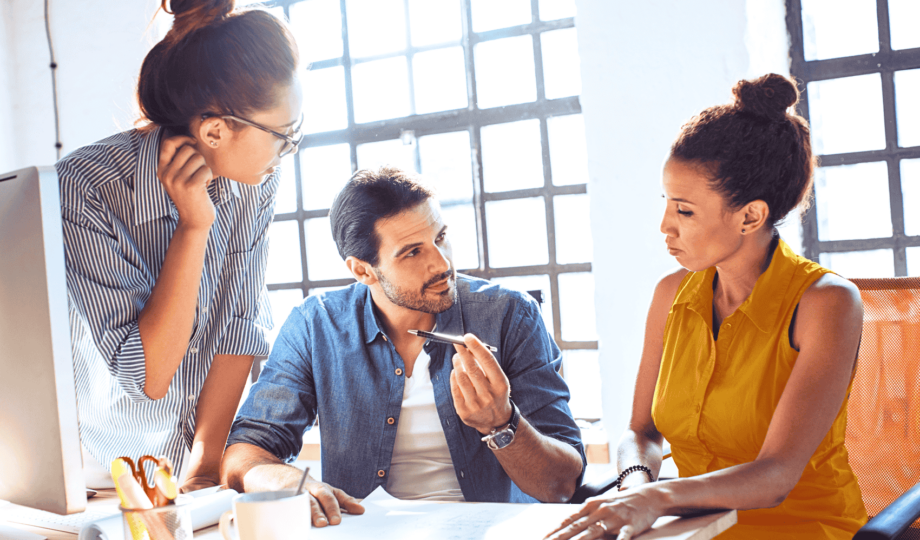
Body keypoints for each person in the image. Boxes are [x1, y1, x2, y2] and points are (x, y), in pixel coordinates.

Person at [547, 74, 867, 540]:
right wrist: (636, 487)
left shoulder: (827, 303)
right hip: (691, 531)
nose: (664, 226)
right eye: (667, 204)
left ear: (750, 216)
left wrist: (658, 498)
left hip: (805, 531)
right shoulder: (670, 294)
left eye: (685, 210)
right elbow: (641, 433)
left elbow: (777, 475)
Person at [223, 166, 587, 527]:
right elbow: (242, 456)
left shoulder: (510, 315)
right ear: (363, 271)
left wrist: (501, 423)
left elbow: (561, 487)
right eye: (412, 252)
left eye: (441, 237)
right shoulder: (315, 325)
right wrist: (282, 480)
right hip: (364, 532)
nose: (442, 263)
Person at [56, 0, 302, 492]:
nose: (288, 152)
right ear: (215, 131)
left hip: (195, 466)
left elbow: (239, 324)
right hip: (106, 473)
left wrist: (208, 465)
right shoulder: (86, 187)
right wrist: (193, 227)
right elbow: (148, 374)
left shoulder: (253, 180)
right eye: (284, 136)